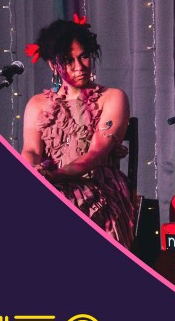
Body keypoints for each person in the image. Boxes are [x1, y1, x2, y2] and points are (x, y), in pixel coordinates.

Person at [21, 18, 136, 247]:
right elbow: (31, 150)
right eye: (68, 60)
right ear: (53, 65)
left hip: (97, 186)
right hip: (50, 181)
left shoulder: (112, 97)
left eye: (83, 56)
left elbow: (96, 154)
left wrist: (53, 177)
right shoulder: (37, 104)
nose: (79, 66)